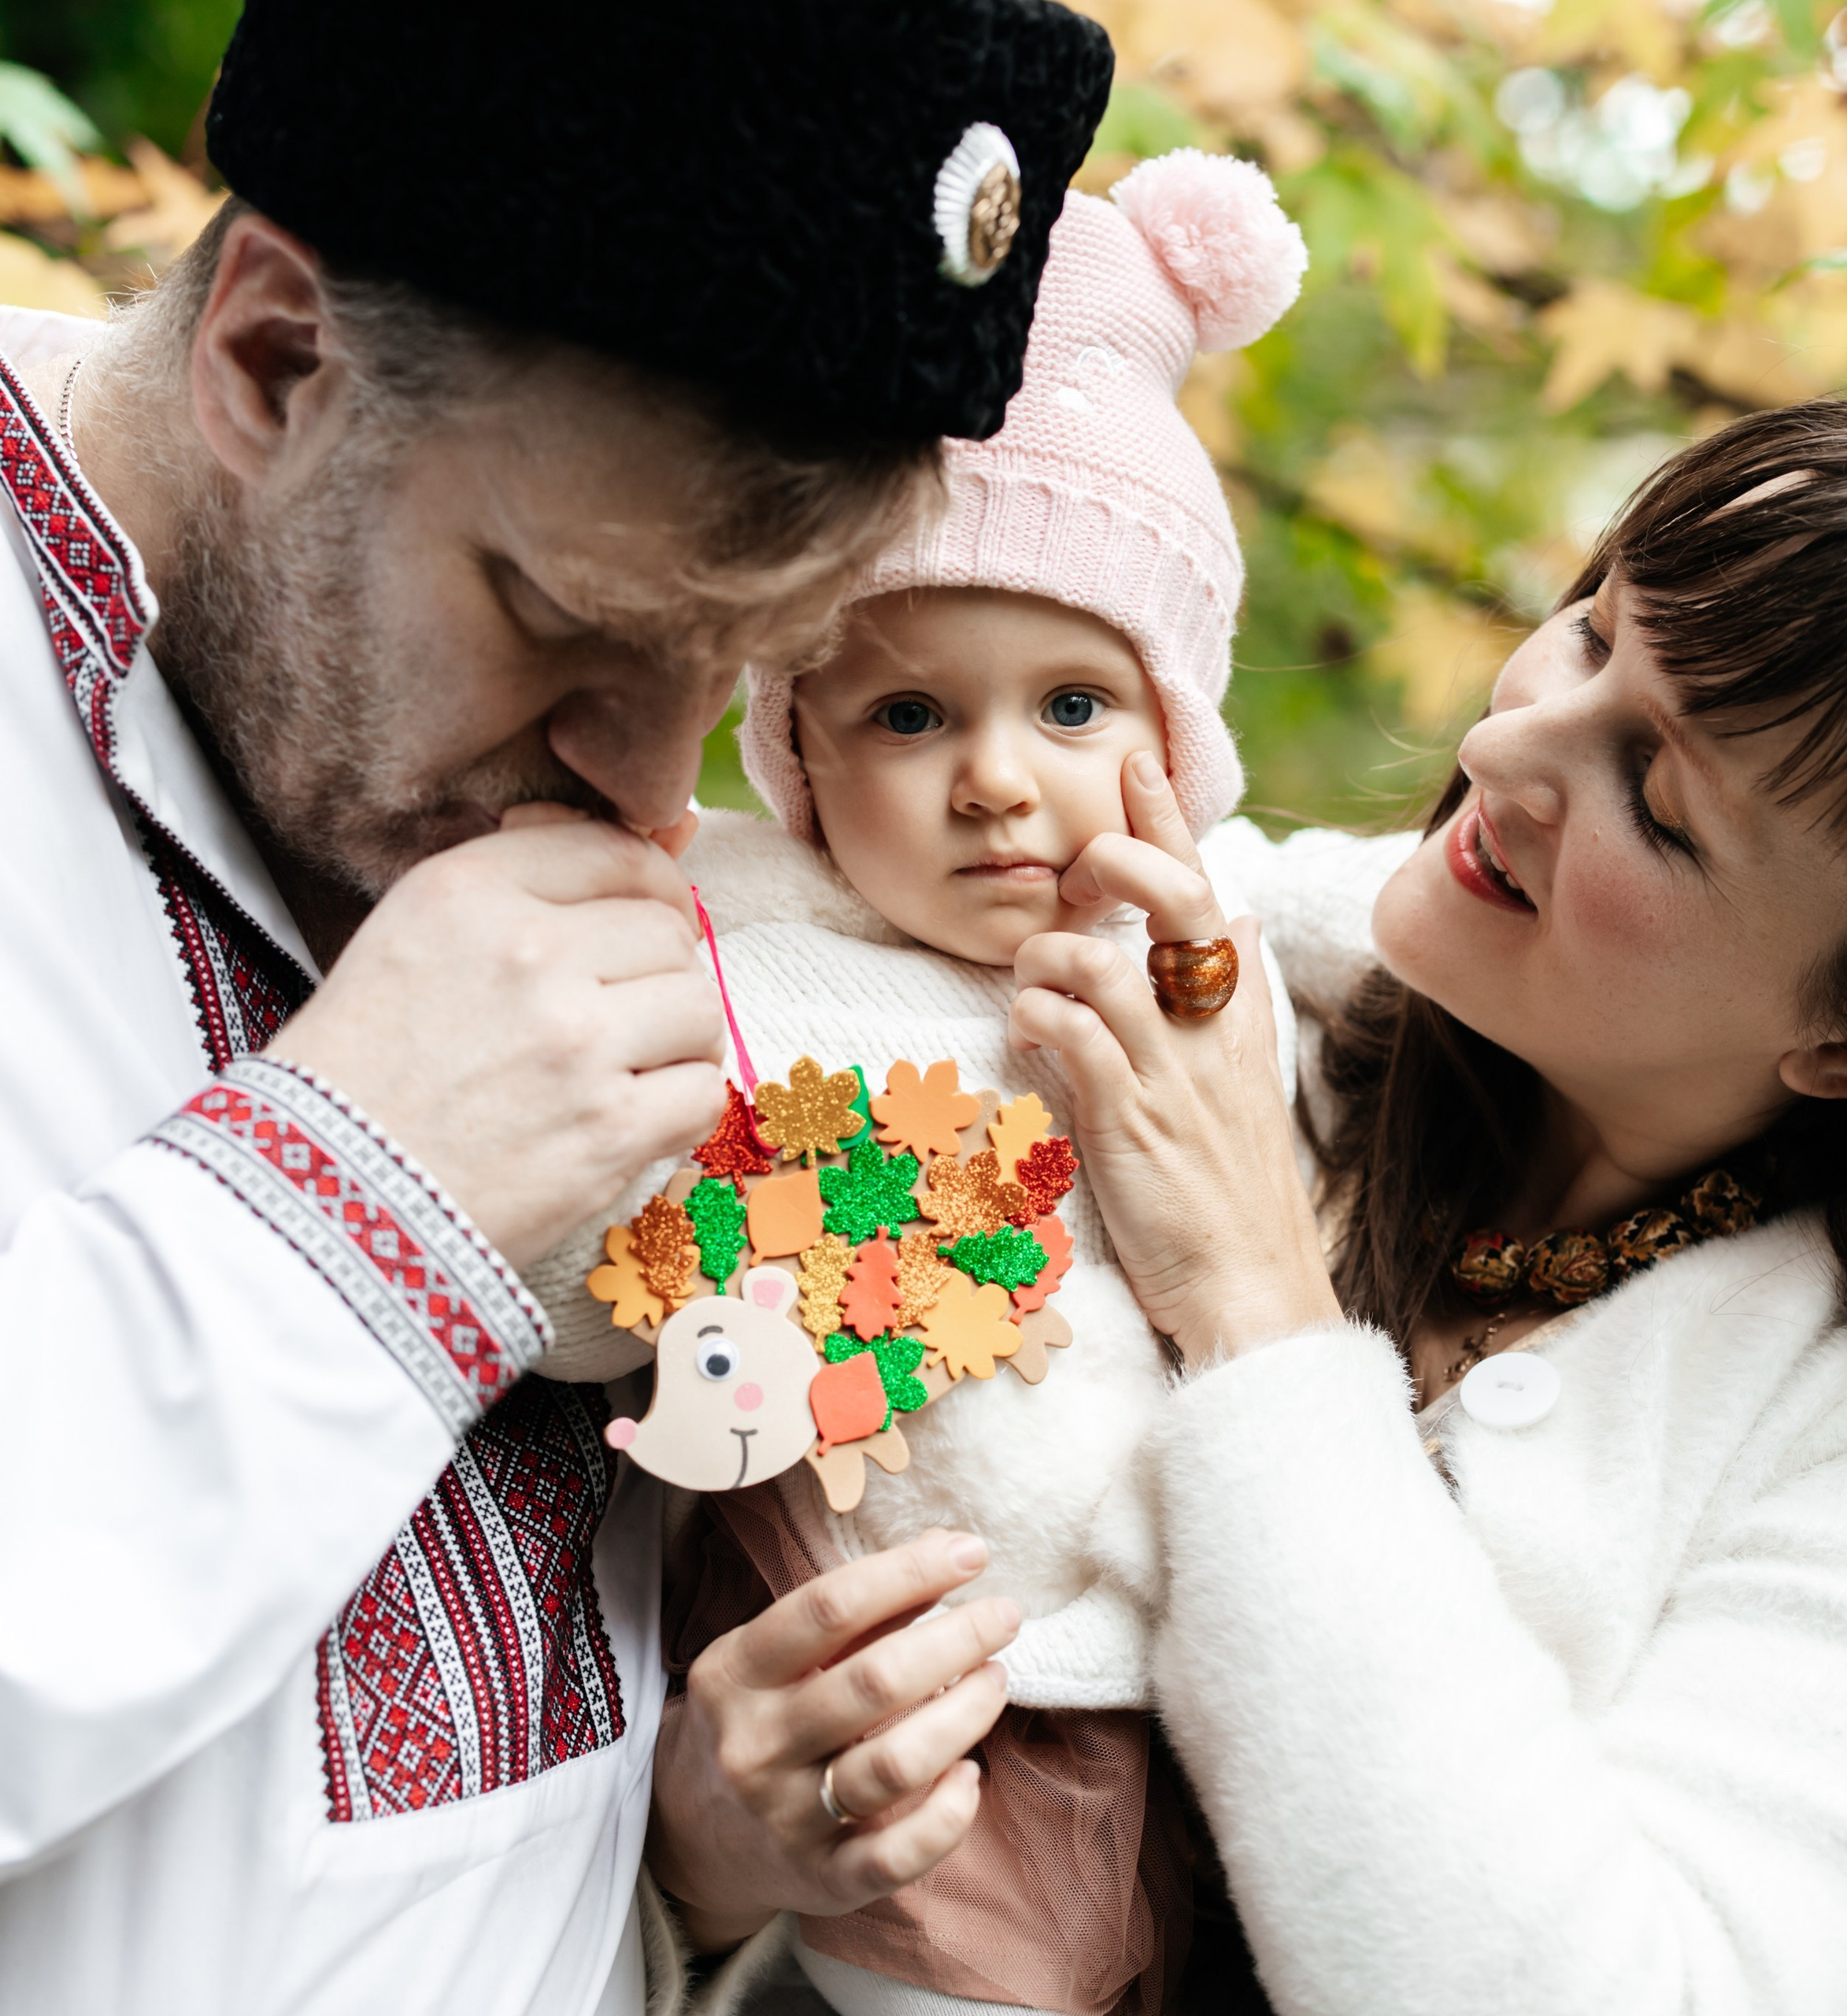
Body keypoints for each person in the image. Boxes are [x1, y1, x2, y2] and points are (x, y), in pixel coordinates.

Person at [0, 3, 1113, 2012]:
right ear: (272, 356)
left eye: (739, 672)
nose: (643, 790)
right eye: (569, 629)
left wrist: (678, 1868)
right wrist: (350, 1203)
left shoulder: (435, 776)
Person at [993, 398, 1847, 2013]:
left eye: (1656, 799)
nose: (1499, 745)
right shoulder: (1230, 970)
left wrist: (1256, 1294)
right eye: (1591, 630)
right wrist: (718, 1840)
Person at [531, 153, 1308, 2016]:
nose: (994, 782)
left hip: (1193, 1649)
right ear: (790, 739)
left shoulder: (1211, 924)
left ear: (1173, 738)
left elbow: (1365, 930)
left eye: (1070, 706)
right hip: (889, 1632)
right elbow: (561, 1250)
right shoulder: (729, 930)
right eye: (906, 715)